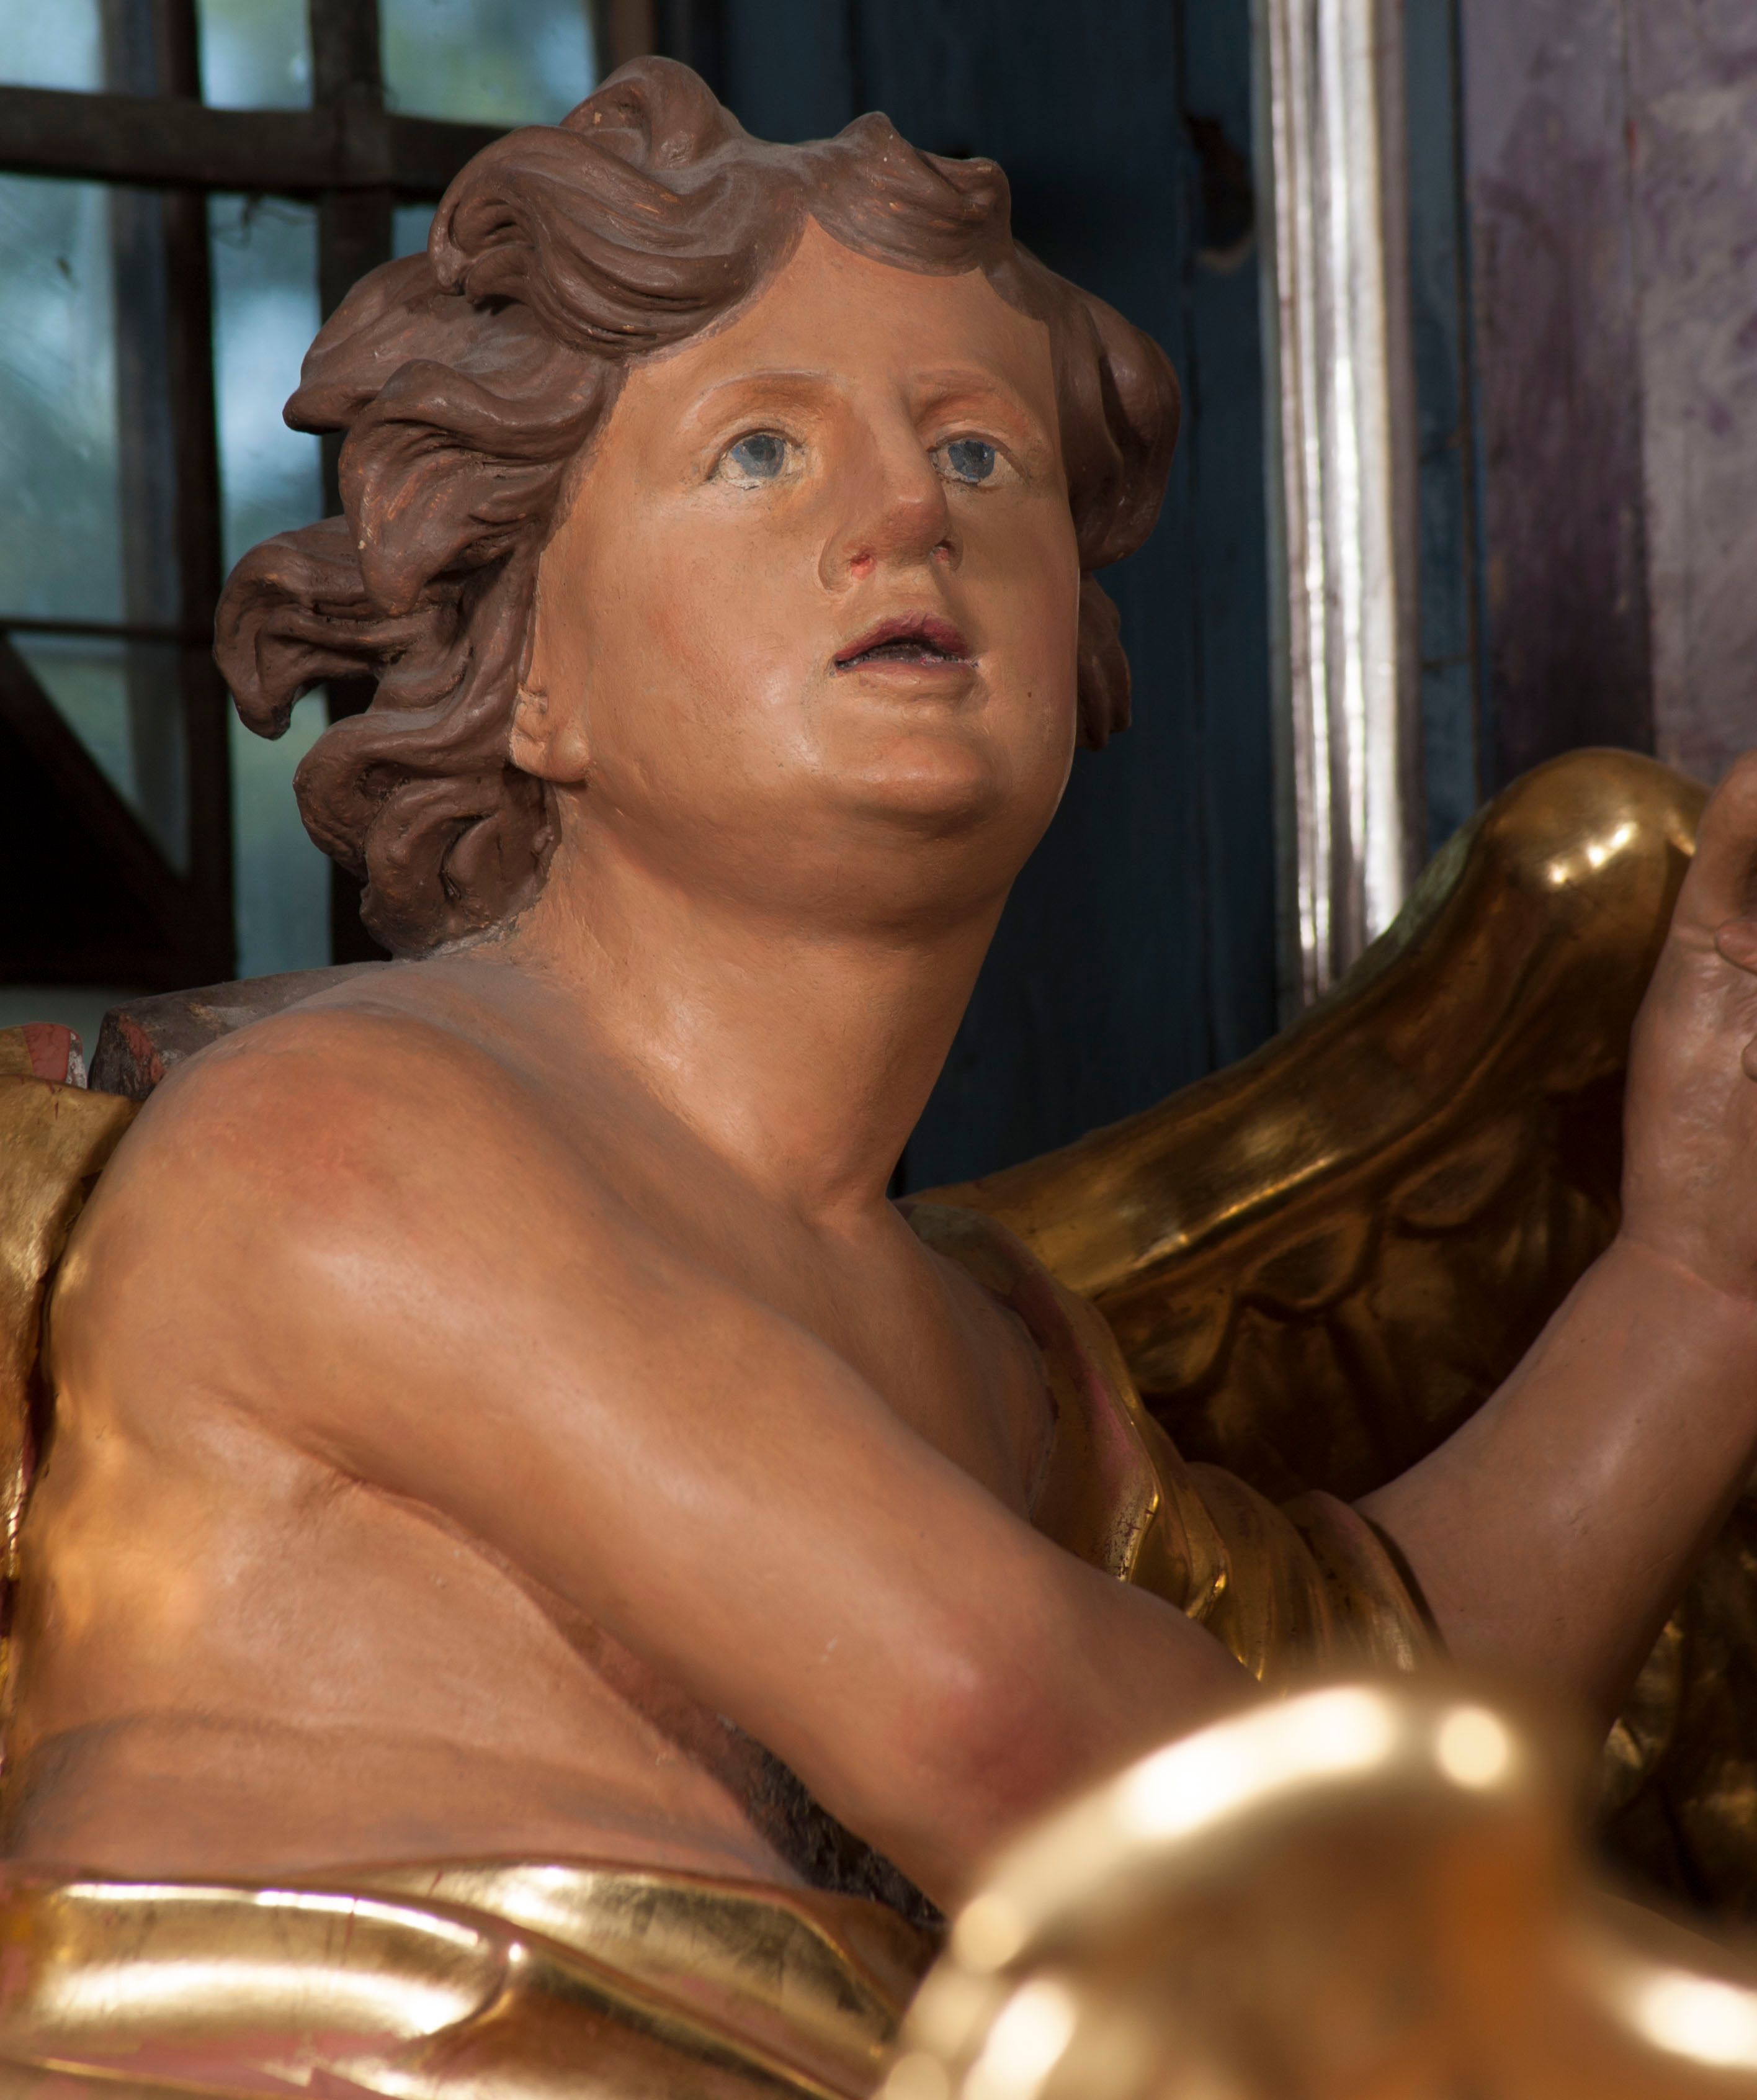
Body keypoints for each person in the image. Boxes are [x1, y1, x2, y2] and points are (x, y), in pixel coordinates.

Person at [4, 54, 1757, 2092]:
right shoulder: (346, 1142)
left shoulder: (995, 1355)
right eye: (762, 450)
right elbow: (1033, 1743)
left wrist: (1697, 1288)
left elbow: (1346, 1733)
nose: (914, 511)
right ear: (530, 665)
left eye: (984, 454)